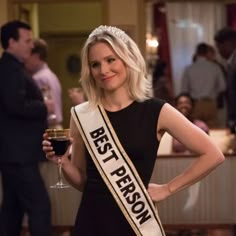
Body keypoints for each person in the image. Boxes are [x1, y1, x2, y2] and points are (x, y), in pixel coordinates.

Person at [42, 25, 225, 236]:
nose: (103, 70)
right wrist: (63, 162)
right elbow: (83, 182)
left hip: (136, 223)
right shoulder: (82, 115)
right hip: (92, 223)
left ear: (127, 59)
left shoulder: (157, 110)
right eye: (95, 64)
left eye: (111, 60)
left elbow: (213, 154)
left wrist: (167, 189)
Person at [0, 20, 52, 236]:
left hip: (13, 153)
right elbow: (15, 105)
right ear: (12, 42)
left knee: (12, 210)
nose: (31, 46)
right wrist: (44, 107)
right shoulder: (10, 69)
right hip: (18, 155)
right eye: (27, 40)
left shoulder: (11, 68)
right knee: (40, 207)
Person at [181, 42, 226, 128]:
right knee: (213, 132)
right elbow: (223, 87)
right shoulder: (215, 67)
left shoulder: (189, 69)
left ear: (197, 53)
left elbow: (184, 90)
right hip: (211, 103)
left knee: (196, 132)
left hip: (195, 104)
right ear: (206, 52)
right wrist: (214, 92)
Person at [25, 38, 63, 129]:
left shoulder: (38, 78)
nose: (25, 60)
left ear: (36, 56)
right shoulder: (52, 75)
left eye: (28, 55)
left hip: (46, 128)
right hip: (57, 126)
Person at [214, 27, 236, 133]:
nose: (218, 51)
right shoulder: (231, 62)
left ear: (228, 43)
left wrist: (232, 120)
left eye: (219, 46)